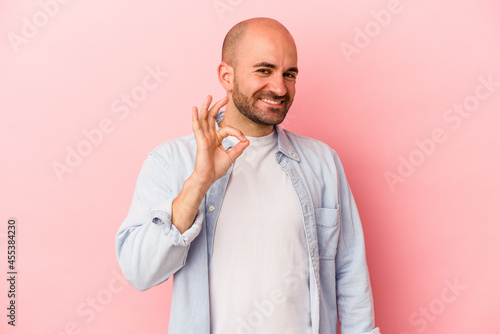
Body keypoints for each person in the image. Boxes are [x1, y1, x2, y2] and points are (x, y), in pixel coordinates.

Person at [116, 17, 381, 334]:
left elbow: (349, 271)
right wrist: (198, 182)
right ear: (226, 76)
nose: (280, 87)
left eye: (289, 74)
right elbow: (140, 271)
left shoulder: (322, 162)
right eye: (264, 70)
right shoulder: (172, 161)